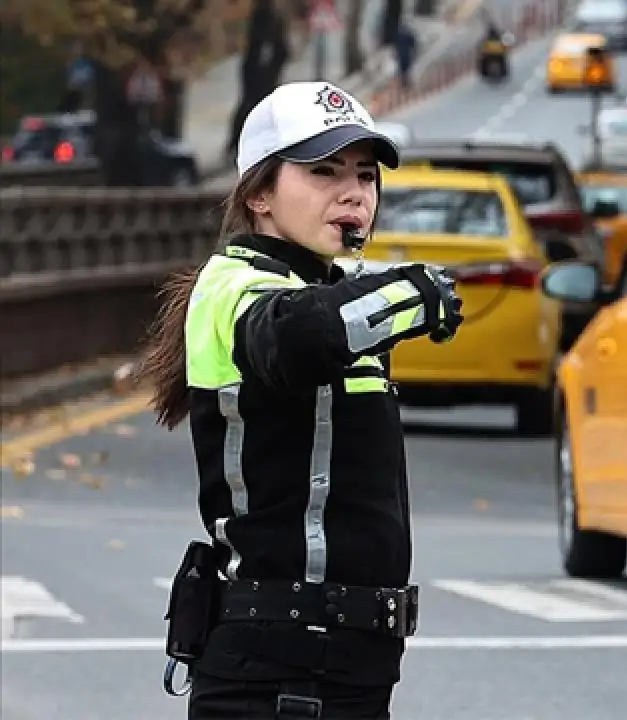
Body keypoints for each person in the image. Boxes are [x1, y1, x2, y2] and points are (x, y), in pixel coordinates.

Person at [137, 81, 464, 718]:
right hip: (279, 668)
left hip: (351, 664)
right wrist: (411, 293)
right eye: (322, 172)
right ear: (259, 193)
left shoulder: (329, 286)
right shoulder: (233, 285)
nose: (353, 193)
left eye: (366, 176)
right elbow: (294, 336)